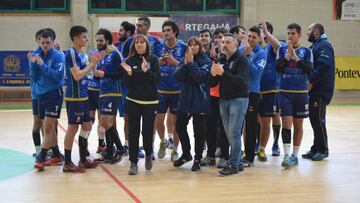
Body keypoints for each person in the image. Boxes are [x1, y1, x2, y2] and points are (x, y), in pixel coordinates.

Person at [62, 25, 103, 173]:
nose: (87, 39)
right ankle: (67, 163)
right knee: (73, 128)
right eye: (84, 36)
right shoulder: (71, 53)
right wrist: (91, 64)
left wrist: (94, 64)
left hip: (85, 96)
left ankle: (83, 159)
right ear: (76, 38)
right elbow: (77, 75)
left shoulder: (82, 54)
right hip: (75, 97)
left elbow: (87, 73)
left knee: (87, 125)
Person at [208, 33, 249, 176]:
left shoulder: (242, 60)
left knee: (234, 133)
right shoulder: (221, 59)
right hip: (223, 99)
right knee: (229, 134)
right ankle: (237, 162)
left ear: (235, 44)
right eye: (223, 42)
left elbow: (241, 82)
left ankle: (233, 165)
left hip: (238, 99)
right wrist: (212, 75)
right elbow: (212, 83)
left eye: (228, 42)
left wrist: (223, 73)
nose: (224, 44)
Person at [122, 16, 161, 158]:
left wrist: (146, 71)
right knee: (133, 131)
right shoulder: (128, 60)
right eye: (137, 42)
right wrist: (130, 74)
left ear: (146, 45)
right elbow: (126, 82)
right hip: (133, 100)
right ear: (134, 45)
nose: (139, 44)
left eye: (142, 43)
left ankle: (149, 153)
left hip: (150, 101)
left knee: (147, 131)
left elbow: (157, 79)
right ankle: (133, 161)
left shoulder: (153, 59)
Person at [276, 23, 313, 169]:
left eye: (292, 33)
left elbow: (309, 69)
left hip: (301, 93)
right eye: (288, 33)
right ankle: (286, 154)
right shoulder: (281, 49)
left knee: (298, 125)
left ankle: (295, 156)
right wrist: (286, 57)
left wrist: (296, 57)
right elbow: (278, 69)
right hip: (285, 92)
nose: (290, 36)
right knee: (286, 121)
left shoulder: (306, 51)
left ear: (299, 34)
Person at [173, 36, 211, 171]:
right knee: (179, 126)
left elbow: (199, 77)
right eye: (191, 45)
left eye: (196, 45)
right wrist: (185, 63)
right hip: (185, 100)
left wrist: (190, 64)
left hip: (200, 100)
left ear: (200, 47)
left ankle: (198, 158)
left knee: (198, 132)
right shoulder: (185, 59)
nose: (193, 47)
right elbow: (177, 76)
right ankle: (186, 153)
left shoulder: (205, 60)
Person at [31, 30, 65, 171]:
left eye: (48, 42)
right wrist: (33, 65)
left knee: (48, 127)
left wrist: (42, 64)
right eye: (42, 42)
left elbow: (57, 76)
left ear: (53, 41)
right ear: (39, 42)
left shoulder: (58, 56)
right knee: (47, 127)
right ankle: (56, 154)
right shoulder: (36, 55)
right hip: (41, 95)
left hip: (54, 94)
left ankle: (42, 157)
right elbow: (33, 78)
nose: (45, 45)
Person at [302, 23, 335, 161]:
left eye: (309, 30)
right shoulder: (316, 46)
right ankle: (316, 148)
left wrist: (311, 81)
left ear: (316, 32)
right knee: (314, 119)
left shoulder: (323, 46)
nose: (306, 33)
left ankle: (323, 150)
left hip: (321, 90)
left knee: (318, 120)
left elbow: (323, 67)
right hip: (316, 90)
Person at [155, 20, 187, 161]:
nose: (165, 33)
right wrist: (158, 62)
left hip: (178, 90)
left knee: (177, 122)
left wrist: (175, 62)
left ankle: (175, 149)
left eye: (168, 30)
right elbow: (151, 63)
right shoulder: (158, 47)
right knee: (158, 119)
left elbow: (188, 67)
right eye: (164, 30)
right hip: (161, 89)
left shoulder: (184, 47)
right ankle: (162, 141)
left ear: (174, 31)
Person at [93, 28, 126, 164]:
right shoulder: (101, 56)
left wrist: (104, 74)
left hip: (113, 92)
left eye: (101, 40)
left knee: (106, 123)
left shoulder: (115, 54)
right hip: (103, 92)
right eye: (97, 41)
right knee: (106, 123)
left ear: (107, 40)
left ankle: (119, 149)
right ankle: (109, 153)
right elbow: (99, 76)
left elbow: (122, 74)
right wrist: (96, 75)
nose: (99, 43)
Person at [201, 27, 230, 168]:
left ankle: (225, 156)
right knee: (210, 127)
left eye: (222, 38)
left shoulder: (231, 57)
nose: (219, 41)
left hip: (226, 97)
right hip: (212, 96)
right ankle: (210, 155)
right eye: (217, 38)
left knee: (224, 128)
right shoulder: (213, 57)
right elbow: (210, 80)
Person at [239, 25, 266, 167]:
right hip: (237, 92)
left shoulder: (261, 53)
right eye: (249, 36)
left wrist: (248, 56)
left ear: (259, 39)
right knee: (237, 125)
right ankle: (237, 154)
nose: (250, 39)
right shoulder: (240, 50)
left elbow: (256, 73)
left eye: (254, 37)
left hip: (252, 93)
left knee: (250, 126)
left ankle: (249, 157)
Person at [257, 21, 284, 161]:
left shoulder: (272, 46)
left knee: (275, 115)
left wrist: (266, 35)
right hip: (256, 89)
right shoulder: (254, 47)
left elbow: (279, 47)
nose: (260, 31)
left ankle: (275, 143)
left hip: (272, 88)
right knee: (257, 119)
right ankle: (258, 144)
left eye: (263, 29)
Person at [114, 21, 136, 156]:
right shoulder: (115, 47)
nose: (119, 32)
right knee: (126, 118)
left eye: (121, 30)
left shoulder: (135, 45)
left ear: (128, 33)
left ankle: (135, 145)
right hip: (120, 87)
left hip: (134, 86)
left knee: (135, 117)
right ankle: (126, 145)